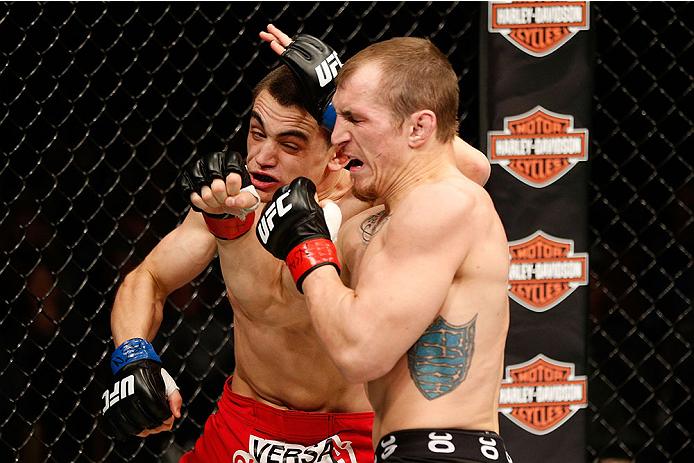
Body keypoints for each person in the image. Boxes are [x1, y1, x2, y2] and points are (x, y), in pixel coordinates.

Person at [102, 26, 492, 463]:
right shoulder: (230, 200)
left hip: (350, 434)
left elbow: (472, 169)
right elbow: (148, 278)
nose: (262, 157)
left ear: (337, 150)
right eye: (256, 132)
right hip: (244, 424)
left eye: (290, 143)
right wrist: (134, 358)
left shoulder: (368, 200)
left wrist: (334, 97)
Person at [257, 36, 513, 463]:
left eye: (354, 119)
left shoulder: (442, 202)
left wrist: (307, 247)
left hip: (447, 452)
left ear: (419, 128)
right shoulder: (377, 221)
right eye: (335, 117)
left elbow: (360, 352)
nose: (336, 136)